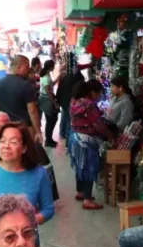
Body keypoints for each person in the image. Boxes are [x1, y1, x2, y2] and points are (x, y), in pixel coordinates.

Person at [0, 122, 54, 247]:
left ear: (24, 148)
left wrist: (25, 224)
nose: (6, 146)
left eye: (13, 142)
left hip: (25, 242)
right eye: (2, 141)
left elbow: (48, 209)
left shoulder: (39, 173)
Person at [68, 79, 115, 210]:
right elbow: (98, 125)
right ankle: (87, 200)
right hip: (87, 140)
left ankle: (81, 192)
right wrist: (110, 136)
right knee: (90, 168)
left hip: (75, 137)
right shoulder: (90, 105)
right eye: (99, 93)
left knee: (79, 166)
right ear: (92, 92)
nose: (99, 97)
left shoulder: (74, 101)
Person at [0, 54, 42, 143]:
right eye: (27, 67)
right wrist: (38, 131)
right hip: (24, 128)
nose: (29, 69)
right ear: (19, 67)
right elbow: (32, 111)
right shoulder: (26, 86)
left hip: (5, 128)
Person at [55, 60, 86, 145]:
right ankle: (68, 142)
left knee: (64, 117)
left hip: (63, 101)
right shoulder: (78, 79)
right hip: (70, 102)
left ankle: (62, 133)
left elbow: (59, 88)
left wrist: (58, 100)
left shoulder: (66, 77)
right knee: (70, 121)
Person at [39, 59, 60, 147]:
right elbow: (48, 91)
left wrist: (59, 77)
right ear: (51, 67)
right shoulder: (46, 77)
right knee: (51, 120)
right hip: (47, 100)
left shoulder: (46, 76)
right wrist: (54, 103)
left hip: (46, 99)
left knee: (51, 120)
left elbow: (51, 85)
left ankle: (49, 139)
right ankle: (48, 140)